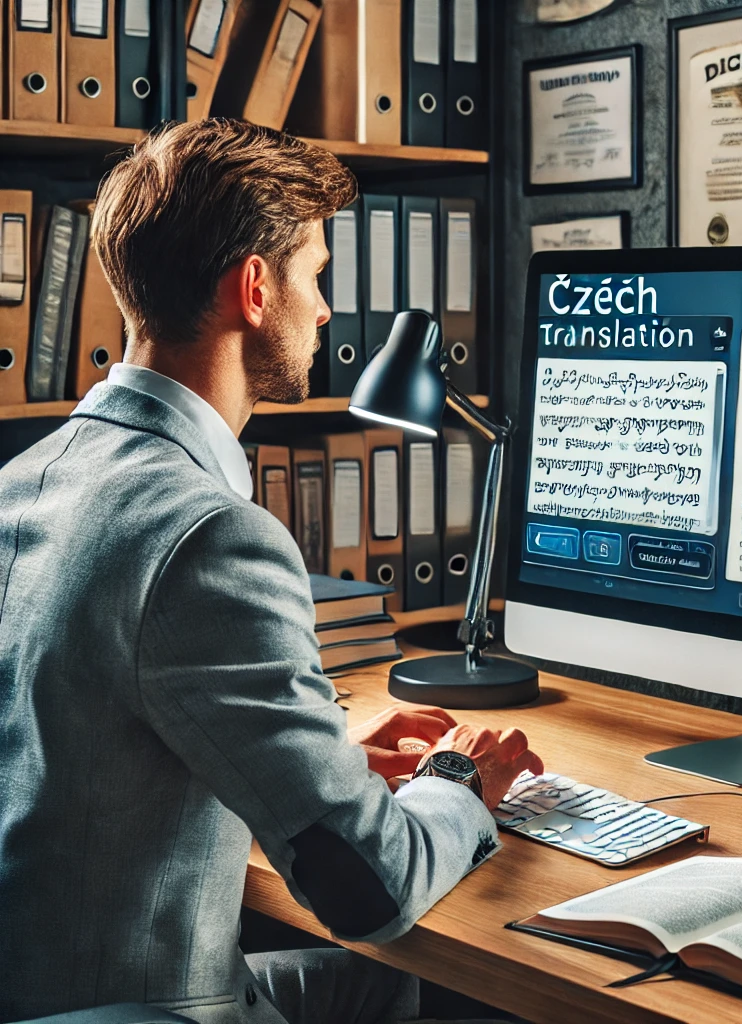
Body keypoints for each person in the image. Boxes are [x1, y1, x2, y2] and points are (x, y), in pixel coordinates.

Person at [0, 118, 542, 1024]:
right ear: (255, 288)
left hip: (39, 992)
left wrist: (322, 761)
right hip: (153, 1007)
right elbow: (371, 891)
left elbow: (79, 741)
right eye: (315, 275)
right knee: (483, 997)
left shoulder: (21, 483)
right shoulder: (210, 534)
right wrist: (458, 781)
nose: (326, 310)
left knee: (401, 991)